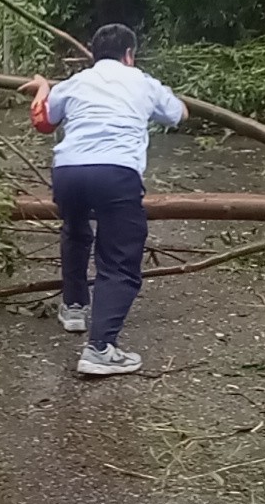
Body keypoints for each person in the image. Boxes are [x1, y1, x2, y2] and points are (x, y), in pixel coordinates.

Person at [19, 24, 189, 376]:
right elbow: (178, 115)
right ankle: (100, 349)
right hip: (115, 173)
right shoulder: (142, 81)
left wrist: (44, 87)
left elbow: (44, 121)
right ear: (130, 55)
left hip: (69, 172)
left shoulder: (77, 81)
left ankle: (75, 308)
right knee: (119, 260)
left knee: (76, 231)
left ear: (94, 55)